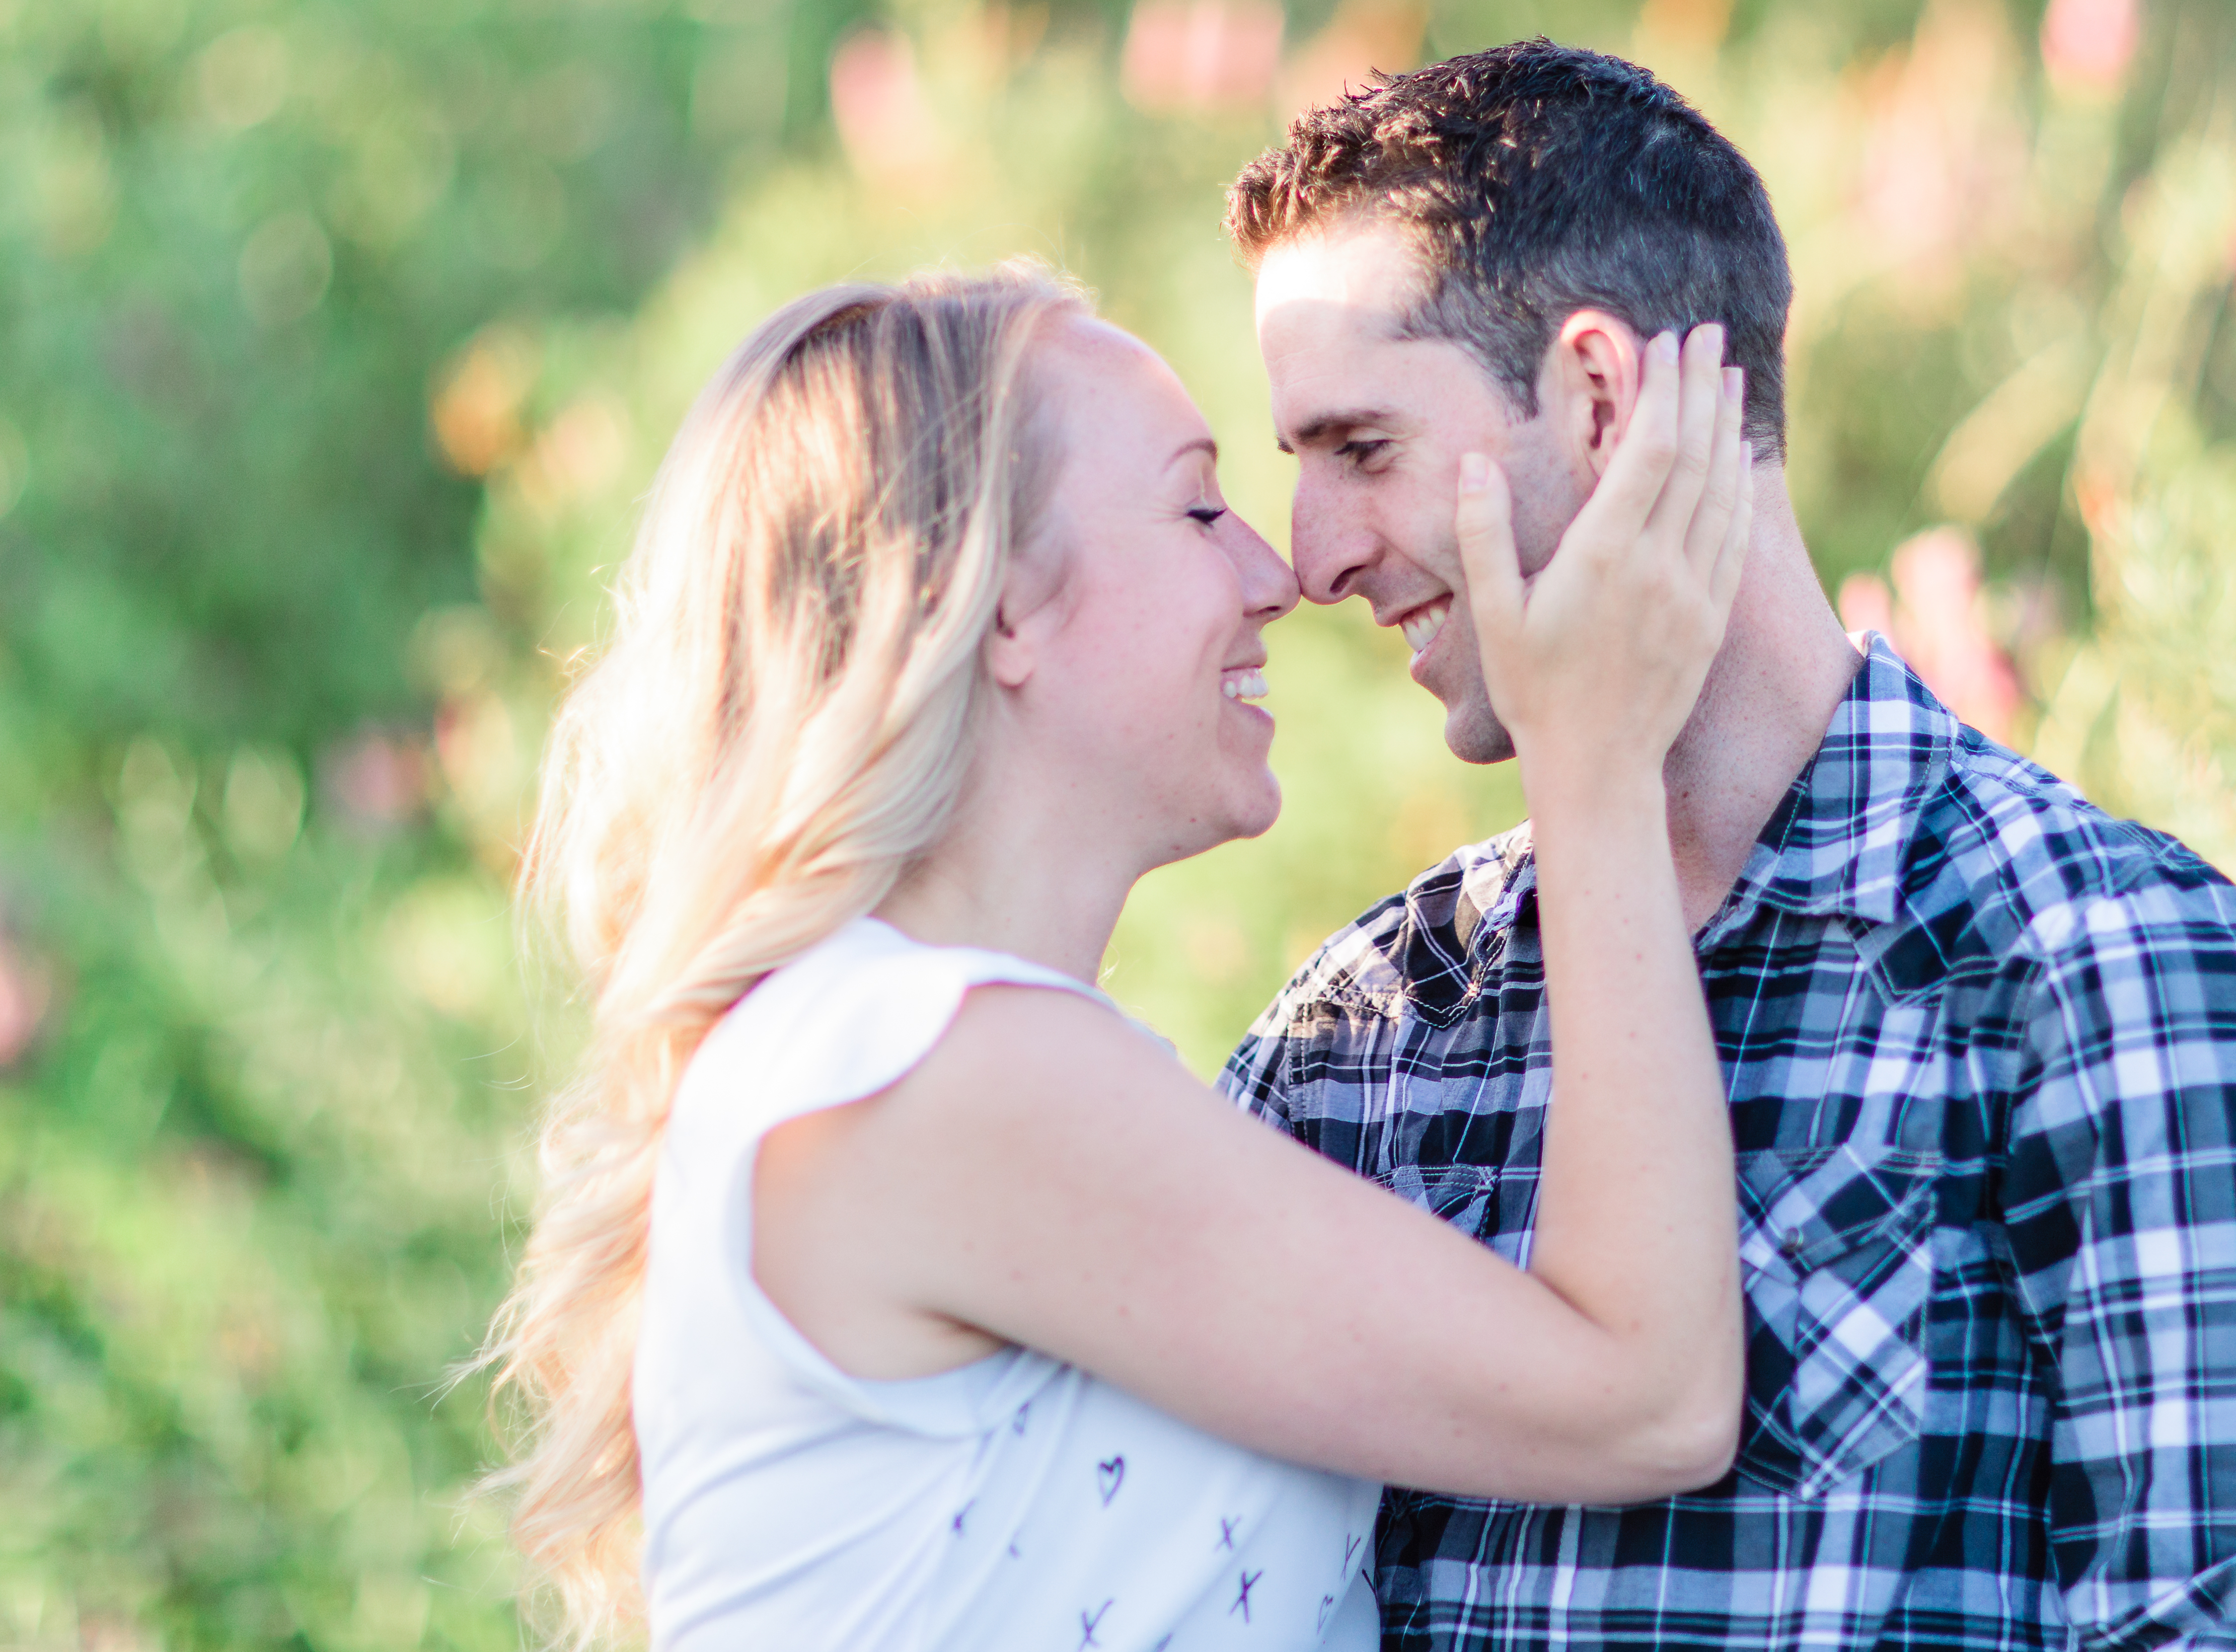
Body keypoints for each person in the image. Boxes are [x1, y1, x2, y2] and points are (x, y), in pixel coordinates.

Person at [1221, 40, 2236, 1651]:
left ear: (1593, 392)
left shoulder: (2091, 959)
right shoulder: (1360, 1032)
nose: (1313, 559)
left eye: (1360, 451)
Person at [479, 267, 1765, 1650]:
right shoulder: (936, 1073)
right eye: (1199, 505)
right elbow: (1646, 1395)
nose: (1274, 575)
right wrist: (1593, 762)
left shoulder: (929, 1057)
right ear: (997, 605)